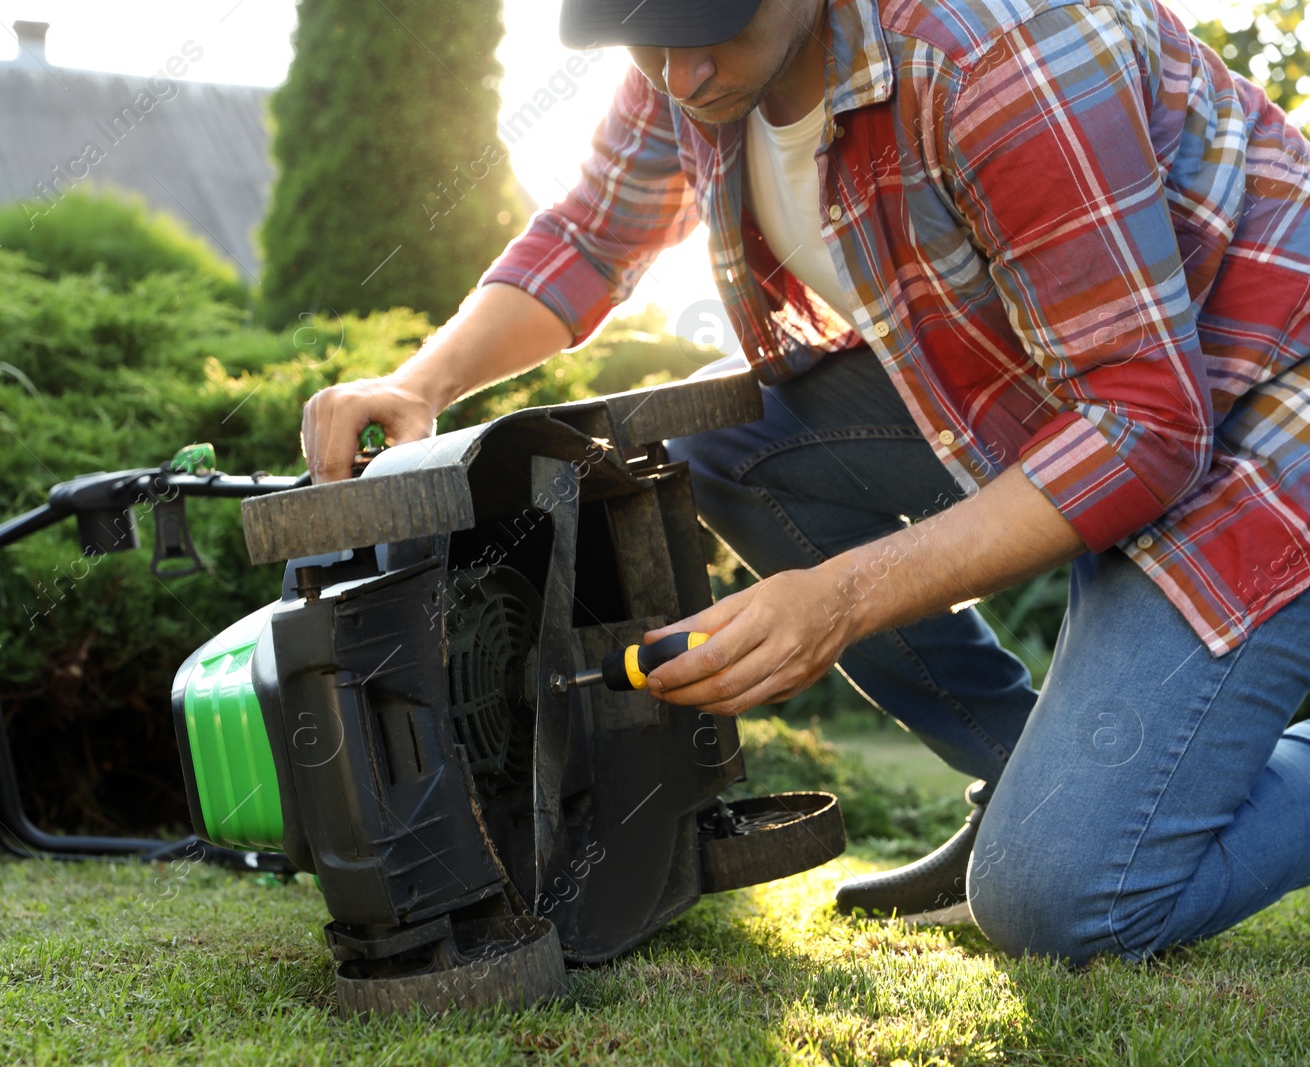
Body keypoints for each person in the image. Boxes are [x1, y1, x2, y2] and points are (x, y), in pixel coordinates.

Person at [299, 0, 1310, 964]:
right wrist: (417, 380)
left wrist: (839, 598)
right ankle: (1020, 775)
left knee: (1060, 897)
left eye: (706, 34)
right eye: (646, 44)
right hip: (1069, 389)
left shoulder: (999, 58)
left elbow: (1141, 427)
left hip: (1255, 415)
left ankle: (1063, 829)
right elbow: (590, 234)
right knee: (719, 441)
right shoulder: (689, 63)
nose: (678, 74)